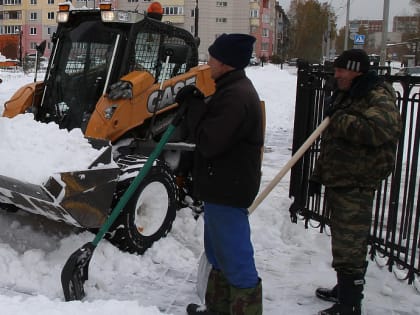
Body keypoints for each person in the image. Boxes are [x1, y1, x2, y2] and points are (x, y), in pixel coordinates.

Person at [175, 33, 264, 315]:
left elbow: (210, 141)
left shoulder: (237, 96)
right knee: (218, 254)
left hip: (228, 188)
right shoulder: (229, 89)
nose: (208, 61)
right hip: (220, 186)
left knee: (236, 258)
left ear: (225, 62)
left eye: (212, 56)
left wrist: (194, 108)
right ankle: (218, 308)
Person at [308, 49, 402, 315]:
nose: (336, 74)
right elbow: (332, 143)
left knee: (351, 241)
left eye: (341, 70)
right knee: (342, 240)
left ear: (356, 70)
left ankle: (350, 304)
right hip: (340, 177)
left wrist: (340, 118)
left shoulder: (377, 94)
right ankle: (344, 288)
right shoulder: (349, 93)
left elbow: (380, 130)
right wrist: (318, 175)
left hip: (357, 180)